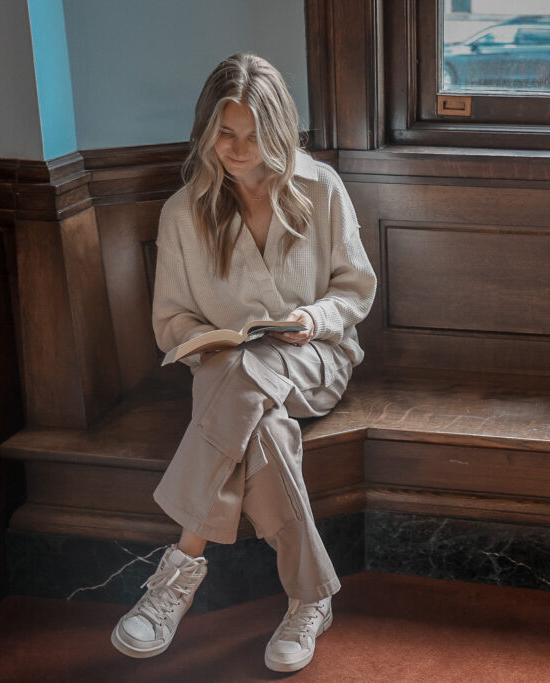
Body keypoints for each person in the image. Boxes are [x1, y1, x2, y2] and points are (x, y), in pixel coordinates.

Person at [110, 52, 376, 673]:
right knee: (263, 424)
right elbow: (171, 321)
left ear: (279, 132)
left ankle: (179, 568)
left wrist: (312, 319)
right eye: (225, 132)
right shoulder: (182, 212)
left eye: (254, 135)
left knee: (248, 379)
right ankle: (309, 598)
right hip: (226, 369)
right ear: (206, 129)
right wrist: (217, 340)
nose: (237, 147)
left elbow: (354, 291)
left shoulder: (321, 189)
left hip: (313, 358)